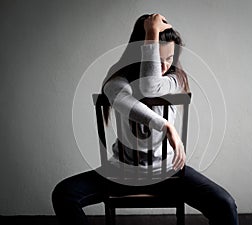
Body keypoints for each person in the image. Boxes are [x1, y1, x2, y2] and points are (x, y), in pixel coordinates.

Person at [52, 14, 239, 225]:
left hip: (169, 174)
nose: (164, 66)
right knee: (64, 193)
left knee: (225, 204)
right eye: (157, 59)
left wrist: (152, 31)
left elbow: (150, 86)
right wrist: (165, 125)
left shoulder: (175, 79)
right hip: (122, 174)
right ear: (141, 52)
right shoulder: (118, 80)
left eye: (169, 59)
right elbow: (125, 99)